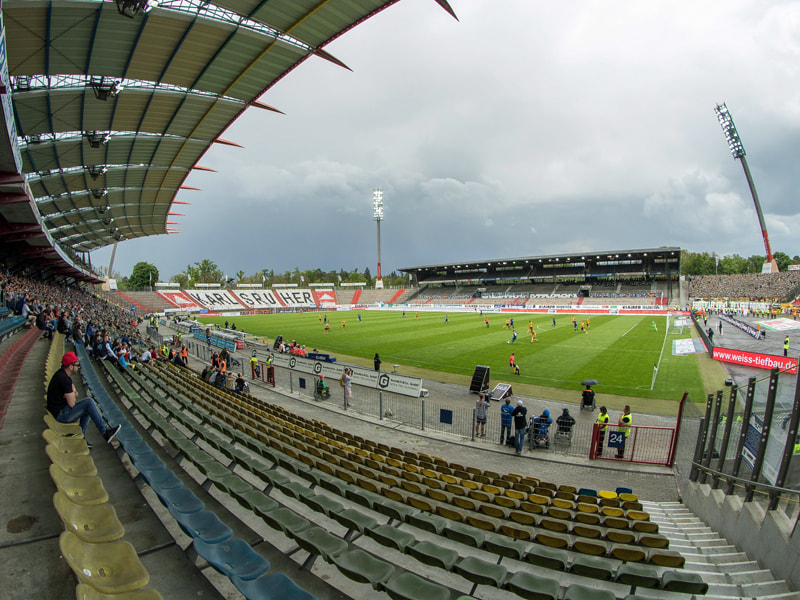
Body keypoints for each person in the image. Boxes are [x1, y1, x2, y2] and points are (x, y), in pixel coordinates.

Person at [47, 352, 121, 447]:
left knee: (87, 407)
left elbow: (75, 394)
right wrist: (73, 393)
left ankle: (81, 437)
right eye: (77, 365)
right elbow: (72, 403)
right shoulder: (64, 379)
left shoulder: (62, 375)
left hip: (59, 411)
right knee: (89, 403)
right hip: (60, 415)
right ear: (70, 366)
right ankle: (105, 432)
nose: (79, 367)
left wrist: (73, 393)